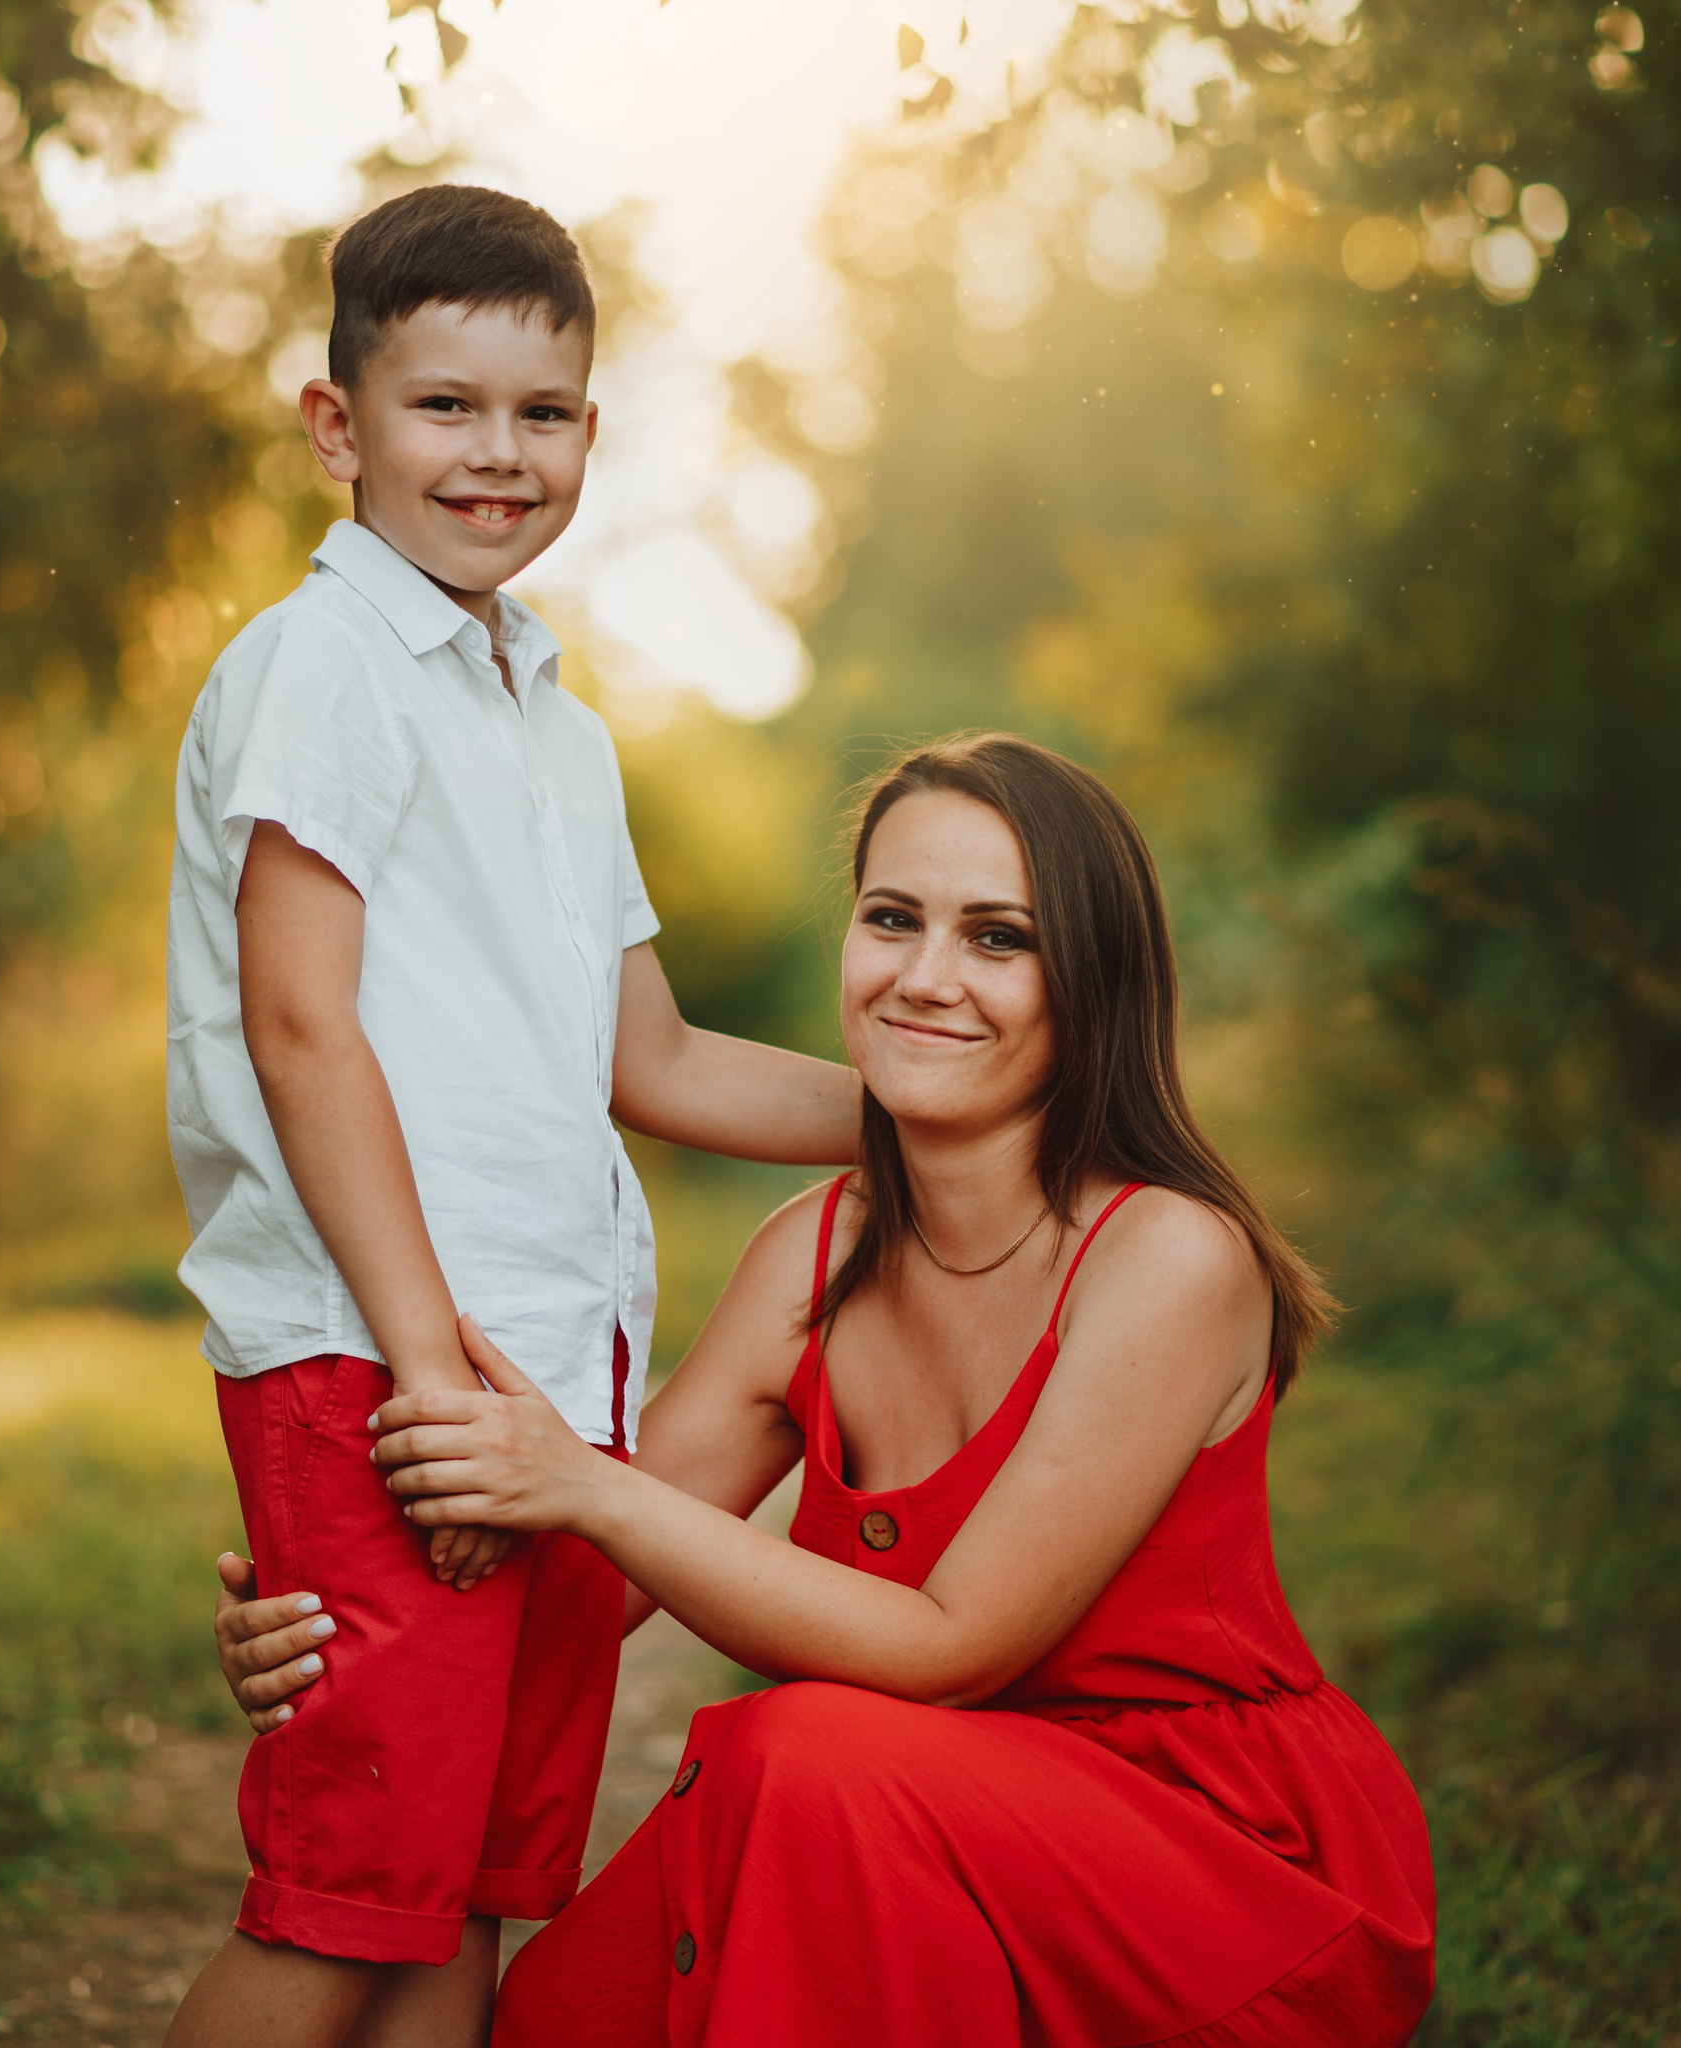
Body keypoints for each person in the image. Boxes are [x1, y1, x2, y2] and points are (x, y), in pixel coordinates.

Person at [215, 734, 1438, 2046]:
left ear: (1096, 980)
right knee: (553, 2021)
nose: (925, 976)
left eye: (999, 939)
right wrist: (348, 1619)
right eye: (893, 919)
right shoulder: (814, 1254)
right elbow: (579, 1596)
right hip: (897, 1826)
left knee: (795, 1755)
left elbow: (953, 1648)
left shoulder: (1171, 1258)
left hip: (1210, 1861)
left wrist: (583, 1484)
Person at [160, 183, 857, 2048]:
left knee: (468, 1886)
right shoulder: (323, 666)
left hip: (547, 1381)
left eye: (541, 413)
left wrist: (942, 1112)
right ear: (338, 426)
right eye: (445, 406)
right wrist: (428, 1379)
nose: (497, 453)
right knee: (346, 1900)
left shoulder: (557, 726)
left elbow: (661, 1061)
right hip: (392, 1365)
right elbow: (300, 1026)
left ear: (590, 434)